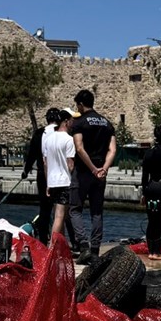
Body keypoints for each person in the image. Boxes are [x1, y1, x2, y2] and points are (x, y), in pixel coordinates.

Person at [69, 89, 117, 263]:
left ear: (81, 105)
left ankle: (83, 246)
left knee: (75, 209)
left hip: (83, 172)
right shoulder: (107, 123)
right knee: (97, 212)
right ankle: (95, 249)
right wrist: (103, 168)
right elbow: (113, 150)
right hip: (100, 174)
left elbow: (79, 148)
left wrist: (92, 168)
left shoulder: (79, 123)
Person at [23, 108, 66, 245]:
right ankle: (65, 240)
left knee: (44, 209)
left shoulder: (39, 133)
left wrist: (26, 171)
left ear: (47, 119)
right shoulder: (62, 132)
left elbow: (32, 154)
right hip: (60, 174)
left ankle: (43, 240)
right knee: (62, 210)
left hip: (43, 174)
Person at [141, 125, 161, 260]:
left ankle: (151, 251)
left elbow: (144, 176)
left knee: (151, 220)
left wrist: (144, 193)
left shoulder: (148, 152)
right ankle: (156, 252)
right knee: (160, 220)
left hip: (150, 188)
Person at [42, 110, 76, 240]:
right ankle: (53, 244)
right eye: (72, 120)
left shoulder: (48, 139)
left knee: (58, 215)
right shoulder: (69, 140)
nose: (73, 123)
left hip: (52, 181)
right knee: (60, 216)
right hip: (64, 181)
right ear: (66, 121)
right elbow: (70, 164)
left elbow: (46, 163)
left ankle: (61, 245)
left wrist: (48, 183)